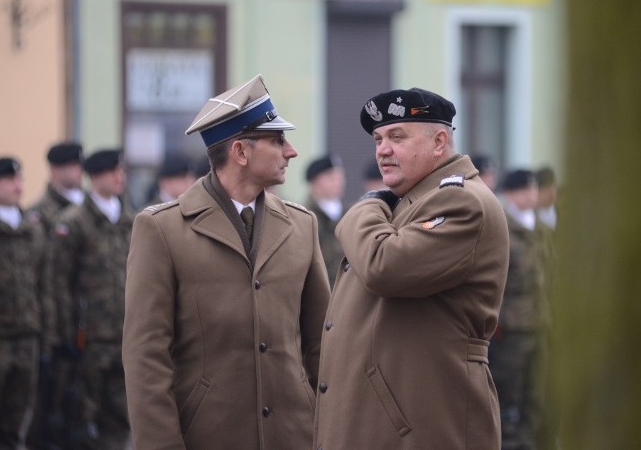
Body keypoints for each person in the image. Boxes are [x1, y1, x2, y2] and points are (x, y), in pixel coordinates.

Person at [123, 75, 331, 450]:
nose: (291, 151)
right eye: (278, 140)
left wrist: (328, 433)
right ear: (240, 152)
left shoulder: (303, 225)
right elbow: (146, 359)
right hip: (206, 436)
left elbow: (321, 345)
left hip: (295, 436)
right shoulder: (162, 229)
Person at [313, 87, 510, 450]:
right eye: (378, 139)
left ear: (439, 142)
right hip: (393, 422)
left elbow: (383, 265)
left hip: (426, 423)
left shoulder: (461, 200)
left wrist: (365, 207)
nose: (382, 150)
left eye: (397, 137)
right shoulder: (414, 200)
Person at [51, 149, 133, 450]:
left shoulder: (130, 220)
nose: (120, 177)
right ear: (96, 176)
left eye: (121, 171)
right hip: (89, 337)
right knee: (83, 417)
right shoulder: (74, 222)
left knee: (121, 415)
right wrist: (65, 332)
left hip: (123, 334)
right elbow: (59, 282)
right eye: (114, 171)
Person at [0, 157, 51, 450]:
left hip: (26, 340)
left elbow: (44, 286)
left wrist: (47, 336)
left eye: (20, 179)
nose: (18, 186)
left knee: (16, 426)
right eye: (10, 180)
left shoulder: (32, 228)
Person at [26, 142, 84, 449]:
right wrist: (52, 332)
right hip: (54, 326)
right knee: (50, 415)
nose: (77, 171)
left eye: (78, 165)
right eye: (70, 166)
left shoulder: (88, 209)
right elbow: (43, 277)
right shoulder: (39, 215)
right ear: (54, 170)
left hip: (87, 324)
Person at [492, 169, 552, 450]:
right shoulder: (501, 228)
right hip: (510, 329)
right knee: (507, 400)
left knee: (537, 397)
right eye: (524, 190)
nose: (531, 195)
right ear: (511, 194)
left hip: (541, 324)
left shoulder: (540, 229)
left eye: (533, 189)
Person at [303, 154, 347, 285]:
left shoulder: (351, 214)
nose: (338, 181)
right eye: (330, 176)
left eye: (339, 175)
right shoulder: (304, 217)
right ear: (314, 181)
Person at [535, 166, 558, 230]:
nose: (552, 192)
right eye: (547, 188)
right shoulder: (529, 216)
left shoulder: (564, 212)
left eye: (553, 186)